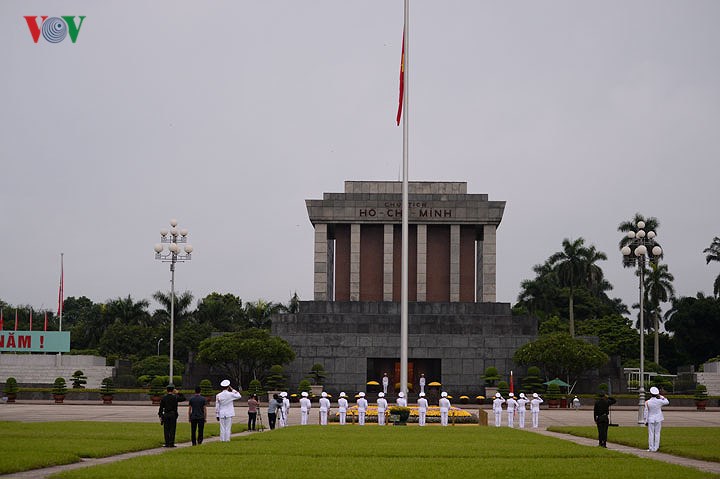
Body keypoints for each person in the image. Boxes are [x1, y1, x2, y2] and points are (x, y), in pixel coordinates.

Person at [644, 386, 670, 452]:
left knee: (651, 434)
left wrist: (645, 421)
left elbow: (646, 412)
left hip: (650, 419)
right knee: (657, 433)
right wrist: (661, 396)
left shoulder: (647, 402)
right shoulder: (659, 401)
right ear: (657, 394)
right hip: (658, 418)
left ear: (650, 393)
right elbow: (667, 402)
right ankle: (656, 447)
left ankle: (651, 448)